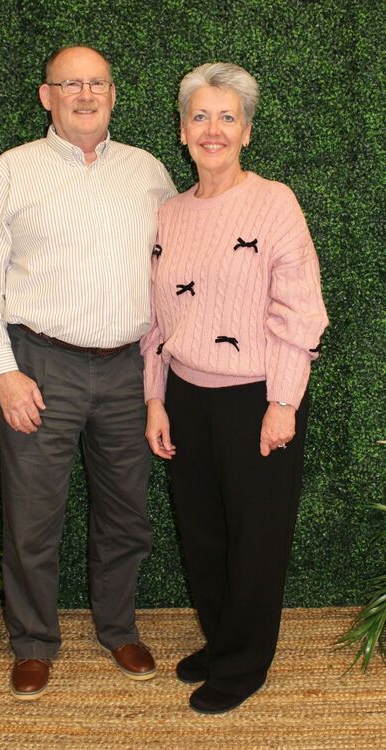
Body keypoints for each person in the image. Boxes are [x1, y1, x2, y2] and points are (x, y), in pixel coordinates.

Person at [0, 45, 175, 701]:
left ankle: (118, 628)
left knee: (127, 514)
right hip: (38, 365)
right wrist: (3, 372)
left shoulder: (148, 172)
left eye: (97, 83)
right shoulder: (13, 170)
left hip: (126, 370)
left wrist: (160, 377)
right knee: (32, 519)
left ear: (113, 94)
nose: (85, 94)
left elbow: (172, 272)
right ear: (46, 96)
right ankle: (32, 642)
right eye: (70, 83)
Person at [142, 62, 328, 715]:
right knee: (204, 535)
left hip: (257, 395)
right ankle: (223, 640)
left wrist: (283, 402)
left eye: (227, 117)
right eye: (200, 116)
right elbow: (156, 318)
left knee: (256, 538)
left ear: (246, 131)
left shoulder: (274, 203)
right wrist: (156, 398)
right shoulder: (169, 213)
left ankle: (244, 663)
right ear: (182, 130)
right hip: (186, 397)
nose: (212, 129)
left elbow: (301, 311)